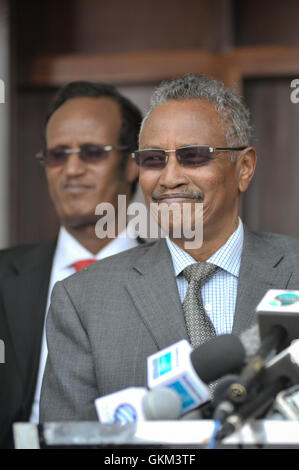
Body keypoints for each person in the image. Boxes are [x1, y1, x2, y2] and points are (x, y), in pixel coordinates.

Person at [40, 74, 299, 423]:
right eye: (153, 159)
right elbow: (66, 438)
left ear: (245, 168)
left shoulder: (293, 270)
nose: (169, 177)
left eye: (193, 156)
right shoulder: (83, 300)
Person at [0, 81, 143, 448]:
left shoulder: (177, 278)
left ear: (132, 165)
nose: (72, 169)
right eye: (58, 154)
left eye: (93, 152)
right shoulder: (4, 277)